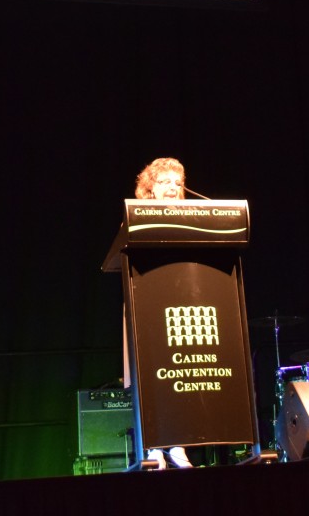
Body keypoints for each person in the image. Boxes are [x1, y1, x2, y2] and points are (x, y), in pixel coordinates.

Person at [131, 157, 193, 469]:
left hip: (181, 304)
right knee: (154, 375)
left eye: (177, 183)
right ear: (151, 187)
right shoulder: (136, 217)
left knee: (180, 375)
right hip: (149, 303)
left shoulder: (193, 220)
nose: (172, 188)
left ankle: (178, 446)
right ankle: (154, 447)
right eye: (165, 182)